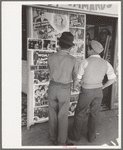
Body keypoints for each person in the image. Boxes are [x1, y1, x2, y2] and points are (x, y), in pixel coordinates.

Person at [68, 40, 116, 144]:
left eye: (88, 49)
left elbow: (78, 79)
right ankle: (91, 137)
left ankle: (75, 136)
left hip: (86, 91)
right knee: (94, 114)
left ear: (91, 50)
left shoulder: (85, 61)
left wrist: (76, 87)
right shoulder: (106, 63)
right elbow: (113, 79)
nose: (87, 51)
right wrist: (102, 86)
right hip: (98, 92)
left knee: (80, 113)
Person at [47, 32, 79, 145]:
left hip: (52, 87)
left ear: (59, 44)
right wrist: (75, 87)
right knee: (63, 115)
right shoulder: (73, 60)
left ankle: (52, 136)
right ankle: (61, 140)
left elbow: (50, 70)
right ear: (70, 47)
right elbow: (75, 77)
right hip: (64, 89)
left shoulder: (50, 57)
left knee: (52, 113)